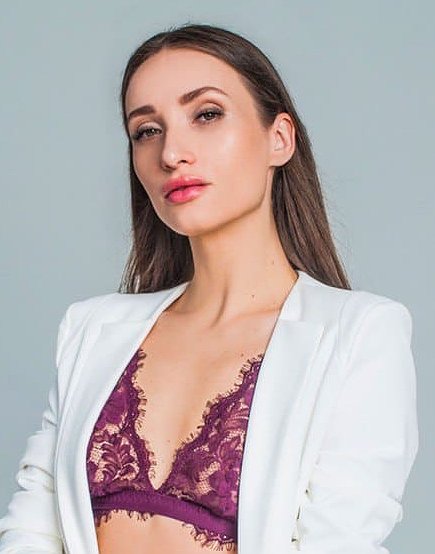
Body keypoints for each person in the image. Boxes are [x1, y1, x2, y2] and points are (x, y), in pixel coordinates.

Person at [0, 23, 418, 554]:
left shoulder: (358, 335)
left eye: (206, 114)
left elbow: (340, 541)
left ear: (279, 138)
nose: (172, 152)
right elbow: (32, 529)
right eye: (146, 130)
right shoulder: (91, 330)